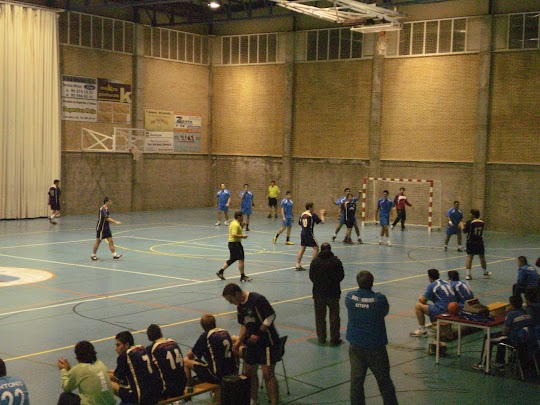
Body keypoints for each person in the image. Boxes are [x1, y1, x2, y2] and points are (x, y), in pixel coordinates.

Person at [222, 283, 280, 405]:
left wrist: (258, 333)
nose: (230, 303)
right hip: (252, 344)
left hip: (267, 342)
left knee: (268, 374)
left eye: (231, 299)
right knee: (249, 373)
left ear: (237, 294)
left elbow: (270, 316)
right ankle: (253, 400)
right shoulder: (240, 307)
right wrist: (239, 341)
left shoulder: (257, 299)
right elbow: (245, 325)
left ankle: (274, 402)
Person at [345, 271, 398, 405]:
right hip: (376, 347)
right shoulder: (379, 299)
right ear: (372, 283)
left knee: (356, 383)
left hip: (356, 346)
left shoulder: (350, 297)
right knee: (384, 382)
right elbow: (384, 311)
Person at [473, 295, 533, 371]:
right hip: (523, 339)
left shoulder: (511, 314)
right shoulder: (526, 312)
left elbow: (505, 331)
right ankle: (499, 362)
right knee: (499, 337)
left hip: (512, 339)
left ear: (512, 305)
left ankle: (483, 363)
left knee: (488, 337)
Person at [184, 314, 238, 386]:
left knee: (186, 361)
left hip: (217, 375)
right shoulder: (224, 332)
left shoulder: (206, 336)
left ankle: (188, 386)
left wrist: (192, 351)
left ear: (203, 326)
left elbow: (190, 355)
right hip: (232, 371)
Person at [56, 341, 115, 405]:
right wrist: (70, 370)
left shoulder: (78, 369)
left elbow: (66, 388)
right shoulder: (100, 364)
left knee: (64, 397)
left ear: (78, 357)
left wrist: (63, 370)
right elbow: (86, 374)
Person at [109, 331, 160, 405]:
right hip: (155, 393)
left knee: (109, 382)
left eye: (118, 345)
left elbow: (117, 377)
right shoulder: (141, 349)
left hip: (141, 397)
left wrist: (105, 374)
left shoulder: (125, 356)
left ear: (126, 345)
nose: (116, 349)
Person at [309, 243, 344, 345]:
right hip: (333, 293)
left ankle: (321, 338)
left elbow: (311, 276)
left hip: (319, 293)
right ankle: (334, 338)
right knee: (334, 317)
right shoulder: (336, 261)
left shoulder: (315, 262)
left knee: (320, 317)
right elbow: (341, 276)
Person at [146, 324, 187, 400]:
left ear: (149, 338)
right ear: (161, 333)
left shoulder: (151, 349)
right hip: (182, 385)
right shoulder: (173, 343)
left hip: (168, 389)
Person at [410, 269, 456, 337]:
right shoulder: (446, 282)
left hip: (443, 311)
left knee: (418, 306)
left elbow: (423, 300)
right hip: (453, 309)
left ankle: (422, 330)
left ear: (430, 277)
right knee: (437, 303)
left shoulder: (432, 285)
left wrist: (420, 297)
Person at [217, 211, 252, 282]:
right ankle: (242, 276)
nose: (243, 218)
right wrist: (243, 236)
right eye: (242, 216)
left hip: (232, 243)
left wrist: (242, 226)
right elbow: (234, 234)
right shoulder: (235, 224)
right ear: (239, 217)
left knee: (232, 259)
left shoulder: (234, 223)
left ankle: (220, 272)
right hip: (235, 244)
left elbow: (238, 230)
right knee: (241, 259)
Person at [296, 202, 326, 271]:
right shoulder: (312, 215)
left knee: (302, 247)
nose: (314, 208)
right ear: (310, 207)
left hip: (302, 233)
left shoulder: (302, 214)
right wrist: (322, 214)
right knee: (316, 248)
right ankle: (313, 265)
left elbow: (300, 223)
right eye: (313, 207)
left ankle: (297, 264)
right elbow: (322, 222)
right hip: (309, 233)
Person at [91, 197, 122, 261]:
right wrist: (115, 222)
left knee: (111, 241)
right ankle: (93, 255)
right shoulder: (102, 209)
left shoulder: (107, 209)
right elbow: (107, 218)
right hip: (101, 228)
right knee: (98, 241)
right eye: (110, 201)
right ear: (106, 202)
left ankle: (114, 255)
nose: (111, 202)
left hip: (106, 228)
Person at [463, 209, 491, 280]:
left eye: (470, 214)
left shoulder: (470, 222)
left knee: (470, 257)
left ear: (473, 215)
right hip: (479, 241)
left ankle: (468, 275)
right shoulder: (482, 222)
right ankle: (485, 273)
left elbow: (465, 231)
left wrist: (461, 226)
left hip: (471, 241)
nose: (469, 215)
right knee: (482, 257)